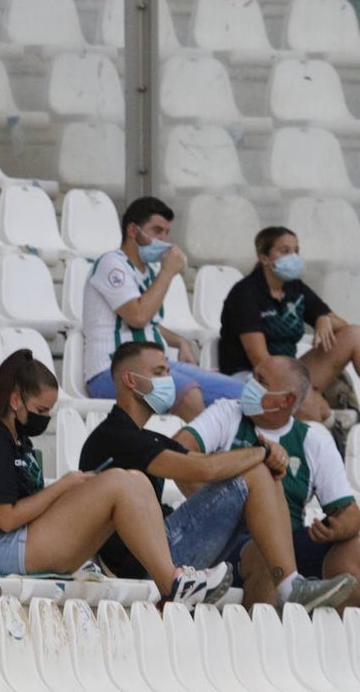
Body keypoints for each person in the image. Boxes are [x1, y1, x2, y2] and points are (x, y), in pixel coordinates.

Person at [0, 349, 232, 604]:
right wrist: (63, 486)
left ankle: (173, 578)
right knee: (118, 482)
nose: (45, 418)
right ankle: (172, 584)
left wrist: (71, 493)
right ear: (15, 399)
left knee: (137, 479)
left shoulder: (19, 441)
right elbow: (6, 518)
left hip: (21, 539)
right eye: (41, 410)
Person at [79, 341, 355, 610]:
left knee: (270, 501)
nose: (169, 381)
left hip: (155, 548)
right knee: (258, 474)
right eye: (159, 372)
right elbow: (204, 469)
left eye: (167, 372)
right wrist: (261, 452)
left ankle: (293, 592)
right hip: (145, 562)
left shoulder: (142, 437)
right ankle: (290, 587)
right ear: (130, 380)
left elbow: (196, 461)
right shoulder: (115, 436)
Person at [175, 356, 360, 610]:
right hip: (228, 544)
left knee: (354, 549)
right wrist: (212, 494)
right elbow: (177, 451)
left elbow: (350, 513)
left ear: (287, 400)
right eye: (253, 376)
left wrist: (337, 528)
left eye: (261, 381)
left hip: (292, 542)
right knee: (265, 550)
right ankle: (262, 632)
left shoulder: (314, 440)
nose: (250, 384)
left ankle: (333, 632)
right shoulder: (227, 413)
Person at [82, 196, 243, 420]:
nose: (164, 240)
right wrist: (167, 272)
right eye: (157, 231)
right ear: (132, 230)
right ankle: (201, 444)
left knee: (242, 394)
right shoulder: (111, 264)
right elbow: (137, 316)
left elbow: (149, 323)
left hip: (159, 365)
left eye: (167, 233)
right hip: (113, 371)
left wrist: (180, 342)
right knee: (188, 395)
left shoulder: (148, 271)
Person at [219, 226, 360, 425]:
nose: (293, 257)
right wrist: (303, 391)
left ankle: (325, 416)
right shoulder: (246, 294)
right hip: (253, 377)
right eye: (285, 251)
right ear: (264, 258)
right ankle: (326, 422)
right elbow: (262, 362)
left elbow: (343, 327)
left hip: (290, 370)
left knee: (355, 335)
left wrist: (323, 317)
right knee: (312, 410)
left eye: (296, 250)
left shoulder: (295, 288)